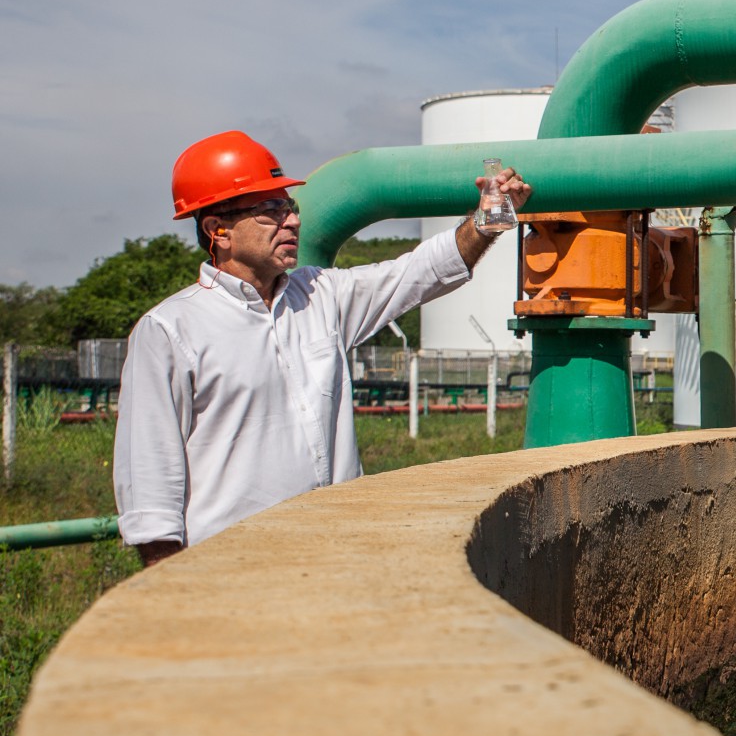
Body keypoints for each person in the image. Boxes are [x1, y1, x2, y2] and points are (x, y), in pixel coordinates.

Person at [113, 130, 531, 567]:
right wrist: (172, 592)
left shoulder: (320, 295)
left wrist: (487, 220)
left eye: (287, 207)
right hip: (231, 572)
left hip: (335, 562)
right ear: (218, 232)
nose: (291, 221)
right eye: (268, 210)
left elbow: (418, 272)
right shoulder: (170, 330)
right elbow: (150, 483)